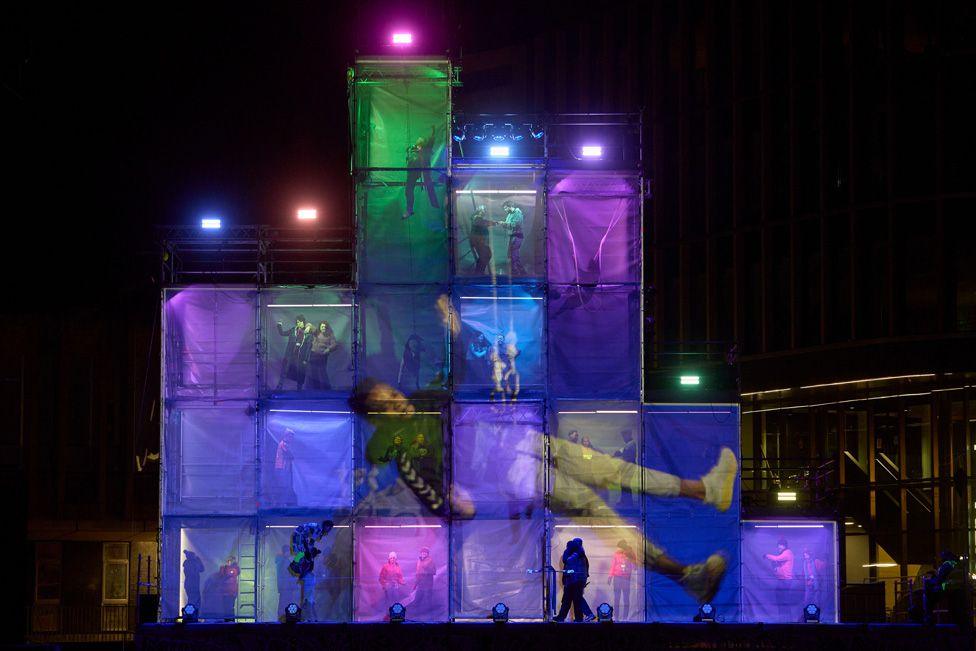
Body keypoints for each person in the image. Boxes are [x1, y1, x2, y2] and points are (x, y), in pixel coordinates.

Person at [289, 520, 335, 621]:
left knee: (303, 555)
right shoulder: (317, 530)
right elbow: (311, 542)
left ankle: (310, 617)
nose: (329, 530)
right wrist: (309, 551)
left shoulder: (317, 531)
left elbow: (309, 543)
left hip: (300, 537)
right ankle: (308, 617)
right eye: (328, 528)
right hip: (299, 536)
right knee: (303, 554)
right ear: (326, 526)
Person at [554, 538, 595, 622]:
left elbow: (567, 561)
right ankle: (575, 617)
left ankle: (586, 614)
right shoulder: (581, 555)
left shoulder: (575, 555)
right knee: (570, 599)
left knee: (574, 599)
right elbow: (585, 569)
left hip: (573, 581)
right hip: (575, 580)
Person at [403, 125, 439, 219]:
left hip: (421, 169)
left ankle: (433, 205)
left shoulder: (425, 150)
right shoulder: (414, 150)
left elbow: (431, 142)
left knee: (428, 184)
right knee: (409, 190)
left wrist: (433, 132)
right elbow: (410, 158)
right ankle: (409, 209)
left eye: (420, 144)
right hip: (414, 171)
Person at [924, 549, 966, 626]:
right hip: (959, 589)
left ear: (945, 557)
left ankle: (928, 618)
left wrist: (928, 581)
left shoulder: (946, 565)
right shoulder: (957, 564)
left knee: (927, 595)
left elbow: (939, 580)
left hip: (949, 588)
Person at [275, 316, 312, 391]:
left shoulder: (308, 333)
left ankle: (299, 389)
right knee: (284, 371)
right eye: (298, 322)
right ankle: (279, 387)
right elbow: (282, 333)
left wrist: (306, 359)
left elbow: (308, 347)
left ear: (304, 322)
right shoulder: (293, 330)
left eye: (301, 322)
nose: (299, 323)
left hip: (300, 356)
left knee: (300, 372)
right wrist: (279, 324)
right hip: (290, 355)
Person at [764, 538, 795, 621]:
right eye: (778, 547)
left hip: (785, 580)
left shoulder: (787, 553)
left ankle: (788, 620)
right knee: (780, 600)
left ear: (784, 545)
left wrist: (767, 556)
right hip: (781, 580)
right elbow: (778, 563)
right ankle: (782, 619)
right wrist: (775, 568)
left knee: (784, 601)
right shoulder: (784, 553)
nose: (778, 548)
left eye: (780, 546)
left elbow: (776, 559)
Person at [608, 540, 637, 620]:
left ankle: (625, 617)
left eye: (619, 547)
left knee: (626, 598)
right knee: (616, 598)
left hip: (626, 578)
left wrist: (630, 558)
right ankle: (616, 616)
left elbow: (635, 567)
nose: (618, 549)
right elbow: (613, 566)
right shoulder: (616, 554)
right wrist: (610, 576)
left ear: (623, 547)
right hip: (617, 578)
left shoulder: (630, 553)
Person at [307, 321, 338, 390]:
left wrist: (328, 349)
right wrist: (308, 326)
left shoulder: (330, 334)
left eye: (324, 327)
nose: (323, 328)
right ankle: (315, 388)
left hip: (322, 356)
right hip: (314, 355)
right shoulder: (317, 332)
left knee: (322, 372)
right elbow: (309, 325)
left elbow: (335, 344)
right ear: (320, 327)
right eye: (322, 327)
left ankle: (326, 388)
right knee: (313, 372)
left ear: (327, 327)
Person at [499, 200, 526, 275]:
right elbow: (509, 224)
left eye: (505, 208)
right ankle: (520, 272)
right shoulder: (510, 214)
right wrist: (504, 224)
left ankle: (517, 272)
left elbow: (515, 224)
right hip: (512, 236)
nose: (505, 210)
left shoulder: (517, 214)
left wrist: (504, 224)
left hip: (516, 236)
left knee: (513, 255)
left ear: (510, 206)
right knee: (513, 255)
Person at [613, 429, 638, 508]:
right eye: (623, 436)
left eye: (624, 436)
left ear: (629, 435)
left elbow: (627, 456)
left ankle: (627, 502)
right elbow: (620, 452)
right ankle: (625, 501)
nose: (623, 438)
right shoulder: (629, 444)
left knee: (626, 485)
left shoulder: (631, 445)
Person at [274, 429, 297, 506]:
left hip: (284, 468)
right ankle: (282, 503)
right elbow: (290, 455)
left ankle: (284, 503)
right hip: (282, 468)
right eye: (291, 437)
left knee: (286, 486)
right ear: (287, 436)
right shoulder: (284, 444)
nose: (292, 439)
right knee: (284, 486)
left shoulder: (284, 444)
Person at [468, 205, 493, 274]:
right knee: (485, 256)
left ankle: (479, 272)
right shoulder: (476, 218)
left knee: (486, 255)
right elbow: (482, 223)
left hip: (481, 241)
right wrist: (493, 223)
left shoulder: (479, 218)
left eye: (485, 210)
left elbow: (484, 223)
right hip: (478, 241)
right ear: (479, 211)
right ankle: (479, 272)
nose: (484, 212)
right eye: (483, 210)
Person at [413, 547, 437, 617]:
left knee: (428, 599)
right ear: (421, 553)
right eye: (422, 552)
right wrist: (415, 584)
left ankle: (430, 615)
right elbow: (417, 573)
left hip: (428, 583)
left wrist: (427, 569)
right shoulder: (419, 561)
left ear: (427, 554)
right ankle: (415, 614)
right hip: (420, 583)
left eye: (425, 552)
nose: (423, 554)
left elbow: (434, 571)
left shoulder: (430, 561)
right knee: (417, 598)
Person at [275, 544, 296, 616]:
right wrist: (293, 586)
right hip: (287, 587)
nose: (290, 552)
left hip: (284, 587)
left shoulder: (282, 561)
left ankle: (282, 618)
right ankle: (285, 618)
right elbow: (289, 575)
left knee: (283, 603)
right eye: (288, 551)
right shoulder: (285, 562)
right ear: (285, 552)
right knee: (286, 603)